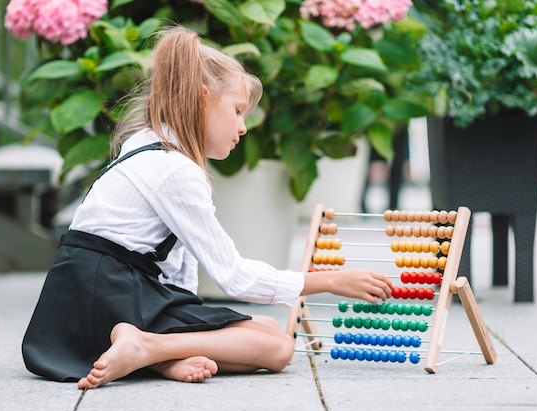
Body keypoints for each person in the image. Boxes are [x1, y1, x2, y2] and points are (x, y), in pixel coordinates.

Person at [21, 25, 393, 390]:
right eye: (237, 111)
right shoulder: (175, 170)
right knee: (278, 347)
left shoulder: (148, 142)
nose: (243, 127)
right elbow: (234, 277)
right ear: (202, 99)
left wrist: (196, 319)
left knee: (263, 328)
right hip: (107, 293)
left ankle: (159, 356)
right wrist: (331, 281)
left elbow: (178, 266)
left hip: (79, 293)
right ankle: (149, 346)